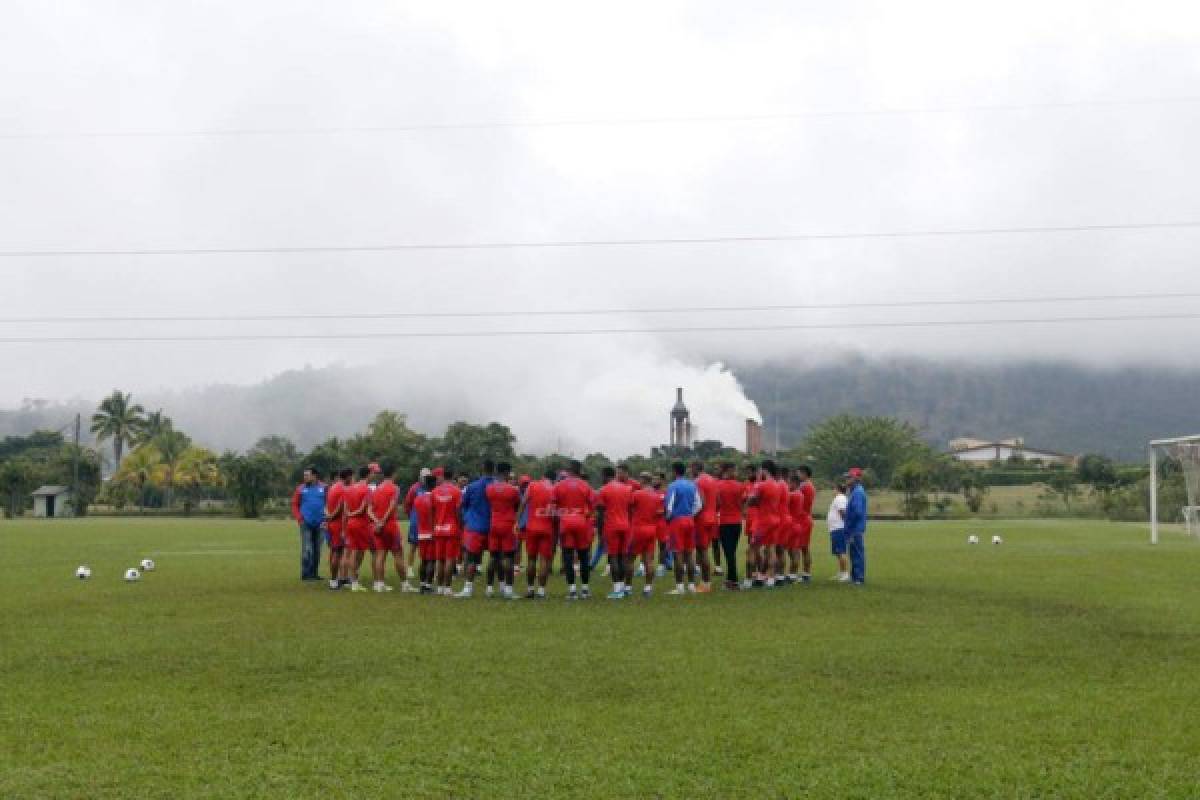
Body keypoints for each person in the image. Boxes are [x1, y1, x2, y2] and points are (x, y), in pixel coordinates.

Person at [369, 462, 415, 593]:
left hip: (377, 527)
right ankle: (405, 584)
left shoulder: (377, 488)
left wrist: (377, 521)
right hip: (389, 525)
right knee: (398, 555)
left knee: (380, 555)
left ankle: (379, 584)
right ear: (394, 473)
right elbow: (392, 506)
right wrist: (383, 521)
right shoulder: (395, 488)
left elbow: (370, 509)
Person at [553, 460, 596, 600]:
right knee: (583, 557)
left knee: (567, 556)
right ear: (580, 471)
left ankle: (572, 591)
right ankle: (584, 590)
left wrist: (560, 517)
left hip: (566, 522)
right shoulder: (586, 485)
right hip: (581, 522)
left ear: (568, 470)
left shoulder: (559, 485)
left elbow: (553, 506)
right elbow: (593, 506)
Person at [596, 465, 635, 600]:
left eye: (601, 476)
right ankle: (623, 588)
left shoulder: (603, 490)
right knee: (623, 556)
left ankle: (617, 589)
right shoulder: (628, 488)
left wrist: (600, 534)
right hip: (625, 526)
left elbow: (600, 515)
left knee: (613, 557)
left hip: (611, 526)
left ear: (605, 476)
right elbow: (631, 510)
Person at [457, 461, 496, 598]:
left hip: (475, 526)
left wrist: (464, 520)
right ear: (494, 470)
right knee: (494, 558)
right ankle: (490, 588)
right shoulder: (497, 485)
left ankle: (468, 588)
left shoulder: (472, 486)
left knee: (472, 558)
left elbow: (462, 505)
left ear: (482, 469)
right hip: (493, 527)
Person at [665, 461, 703, 595]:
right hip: (690, 520)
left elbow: (669, 508)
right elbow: (699, 505)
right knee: (690, 553)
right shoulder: (692, 485)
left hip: (677, 522)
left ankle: (680, 587)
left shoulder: (672, 486)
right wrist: (689, 514)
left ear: (675, 471)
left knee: (678, 554)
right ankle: (692, 585)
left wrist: (669, 519)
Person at [518, 468, 557, 598]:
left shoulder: (532, 485)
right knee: (544, 560)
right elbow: (553, 513)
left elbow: (523, 503)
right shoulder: (554, 489)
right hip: (547, 528)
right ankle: (541, 591)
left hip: (532, 527)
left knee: (531, 559)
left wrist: (517, 521)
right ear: (554, 478)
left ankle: (530, 589)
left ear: (543, 476)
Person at [484, 462, 521, 599]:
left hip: (494, 523)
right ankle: (508, 590)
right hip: (507, 524)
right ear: (506, 473)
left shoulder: (489, 488)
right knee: (508, 557)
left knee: (493, 557)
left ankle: (489, 588)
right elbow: (517, 506)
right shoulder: (513, 490)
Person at [748, 460, 785, 589]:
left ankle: (751, 579)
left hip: (763, 521)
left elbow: (751, 501)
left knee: (752, 549)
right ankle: (770, 578)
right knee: (771, 549)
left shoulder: (761, 485)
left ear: (764, 470)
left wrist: (757, 483)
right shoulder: (777, 485)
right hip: (774, 520)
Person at [339, 466, 373, 592]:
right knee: (358, 553)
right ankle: (354, 581)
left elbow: (345, 509)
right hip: (361, 524)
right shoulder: (367, 489)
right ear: (368, 475)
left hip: (350, 524)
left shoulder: (350, 489)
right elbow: (363, 509)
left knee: (351, 552)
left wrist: (348, 517)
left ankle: (349, 579)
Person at [629, 472, 663, 597]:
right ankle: (648, 588)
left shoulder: (637, 494)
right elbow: (660, 513)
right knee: (649, 560)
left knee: (630, 559)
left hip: (638, 529)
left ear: (643, 480)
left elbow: (630, 508)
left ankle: (628, 588)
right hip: (651, 529)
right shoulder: (656, 495)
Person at [291, 467, 327, 583]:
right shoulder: (300, 489)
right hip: (306, 523)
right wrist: (299, 518)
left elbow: (329, 503)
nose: (305, 477)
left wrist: (326, 519)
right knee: (307, 549)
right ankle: (305, 574)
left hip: (321, 524)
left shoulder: (324, 488)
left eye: (307, 475)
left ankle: (314, 573)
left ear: (314, 476)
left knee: (317, 550)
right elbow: (294, 504)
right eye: (304, 475)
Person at [431, 468, 464, 596]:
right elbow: (458, 512)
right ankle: (447, 588)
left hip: (438, 529)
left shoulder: (434, 491)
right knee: (450, 559)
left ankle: (439, 588)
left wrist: (434, 526)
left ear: (443, 476)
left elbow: (432, 511)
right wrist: (460, 525)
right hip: (452, 529)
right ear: (453, 476)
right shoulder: (457, 491)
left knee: (440, 559)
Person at [715, 462, 747, 591]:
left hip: (724, 522)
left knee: (729, 553)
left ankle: (732, 581)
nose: (736, 472)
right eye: (735, 470)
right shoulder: (740, 486)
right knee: (731, 551)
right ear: (730, 470)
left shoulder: (718, 485)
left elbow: (718, 503)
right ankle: (730, 579)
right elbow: (742, 504)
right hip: (737, 522)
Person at [690, 461, 719, 592]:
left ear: (696, 468)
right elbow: (718, 501)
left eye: (691, 468)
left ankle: (705, 583)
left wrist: (691, 515)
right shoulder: (713, 480)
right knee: (705, 550)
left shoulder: (697, 481)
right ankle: (705, 582)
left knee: (702, 551)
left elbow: (700, 502)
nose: (690, 471)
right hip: (712, 518)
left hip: (701, 519)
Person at [403, 468, 432, 580]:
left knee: (428, 547)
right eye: (424, 477)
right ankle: (409, 568)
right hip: (416, 522)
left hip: (428, 523)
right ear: (420, 477)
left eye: (428, 477)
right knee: (413, 545)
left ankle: (428, 568)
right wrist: (412, 516)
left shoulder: (432, 487)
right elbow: (407, 503)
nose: (426, 479)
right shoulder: (414, 488)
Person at [324, 468, 351, 590]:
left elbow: (327, 505)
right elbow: (341, 508)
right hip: (339, 525)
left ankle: (340, 578)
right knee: (337, 552)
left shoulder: (332, 487)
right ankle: (334, 581)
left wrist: (328, 517)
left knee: (336, 552)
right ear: (348, 477)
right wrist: (331, 516)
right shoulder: (343, 489)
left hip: (332, 525)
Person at [412, 473, 439, 593]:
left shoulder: (418, 498)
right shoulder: (435, 498)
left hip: (421, 532)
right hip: (432, 532)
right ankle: (428, 585)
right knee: (432, 560)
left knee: (423, 560)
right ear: (434, 484)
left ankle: (422, 585)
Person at [844, 468, 869, 585]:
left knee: (857, 553)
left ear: (857, 479)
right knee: (853, 553)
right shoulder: (854, 491)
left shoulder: (858, 492)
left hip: (855, 529)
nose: (847, 479)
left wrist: (850, 524)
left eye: (849, 477)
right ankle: (855, 577)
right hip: (853, 528)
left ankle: (859, 578)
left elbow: (857, 512)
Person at [792, 465, 816, 583]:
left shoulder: (804, 486)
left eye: (798, 473)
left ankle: (795, 575)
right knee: (805, 548)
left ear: (804, 473)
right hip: (806, 518)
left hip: (802, 519)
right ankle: (806, 574)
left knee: (797, 548)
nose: (797, 476)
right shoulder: (810, 485)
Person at [827, 481, 851, 583]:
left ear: (837, 489)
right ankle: (841, 572)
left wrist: (845, 526)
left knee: (841, 552)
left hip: (839, 528)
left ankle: (845, 574)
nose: (833, 491)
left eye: (834, 489)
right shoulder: (839, 498)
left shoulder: (840, 498)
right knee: (838, 552)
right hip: (835, 528)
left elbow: (843, 512)